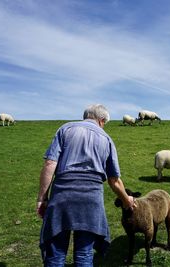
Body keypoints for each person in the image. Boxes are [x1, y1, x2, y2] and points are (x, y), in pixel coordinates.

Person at [36, 104, 136, 267]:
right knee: (84, 255)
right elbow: (114, 181)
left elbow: (49, 164)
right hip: (91, 201)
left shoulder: (65, 129)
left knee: (56, 254)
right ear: (102, 120)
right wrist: (127, 200)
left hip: (62, 197)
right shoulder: (107, 139)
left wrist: (42, 199)